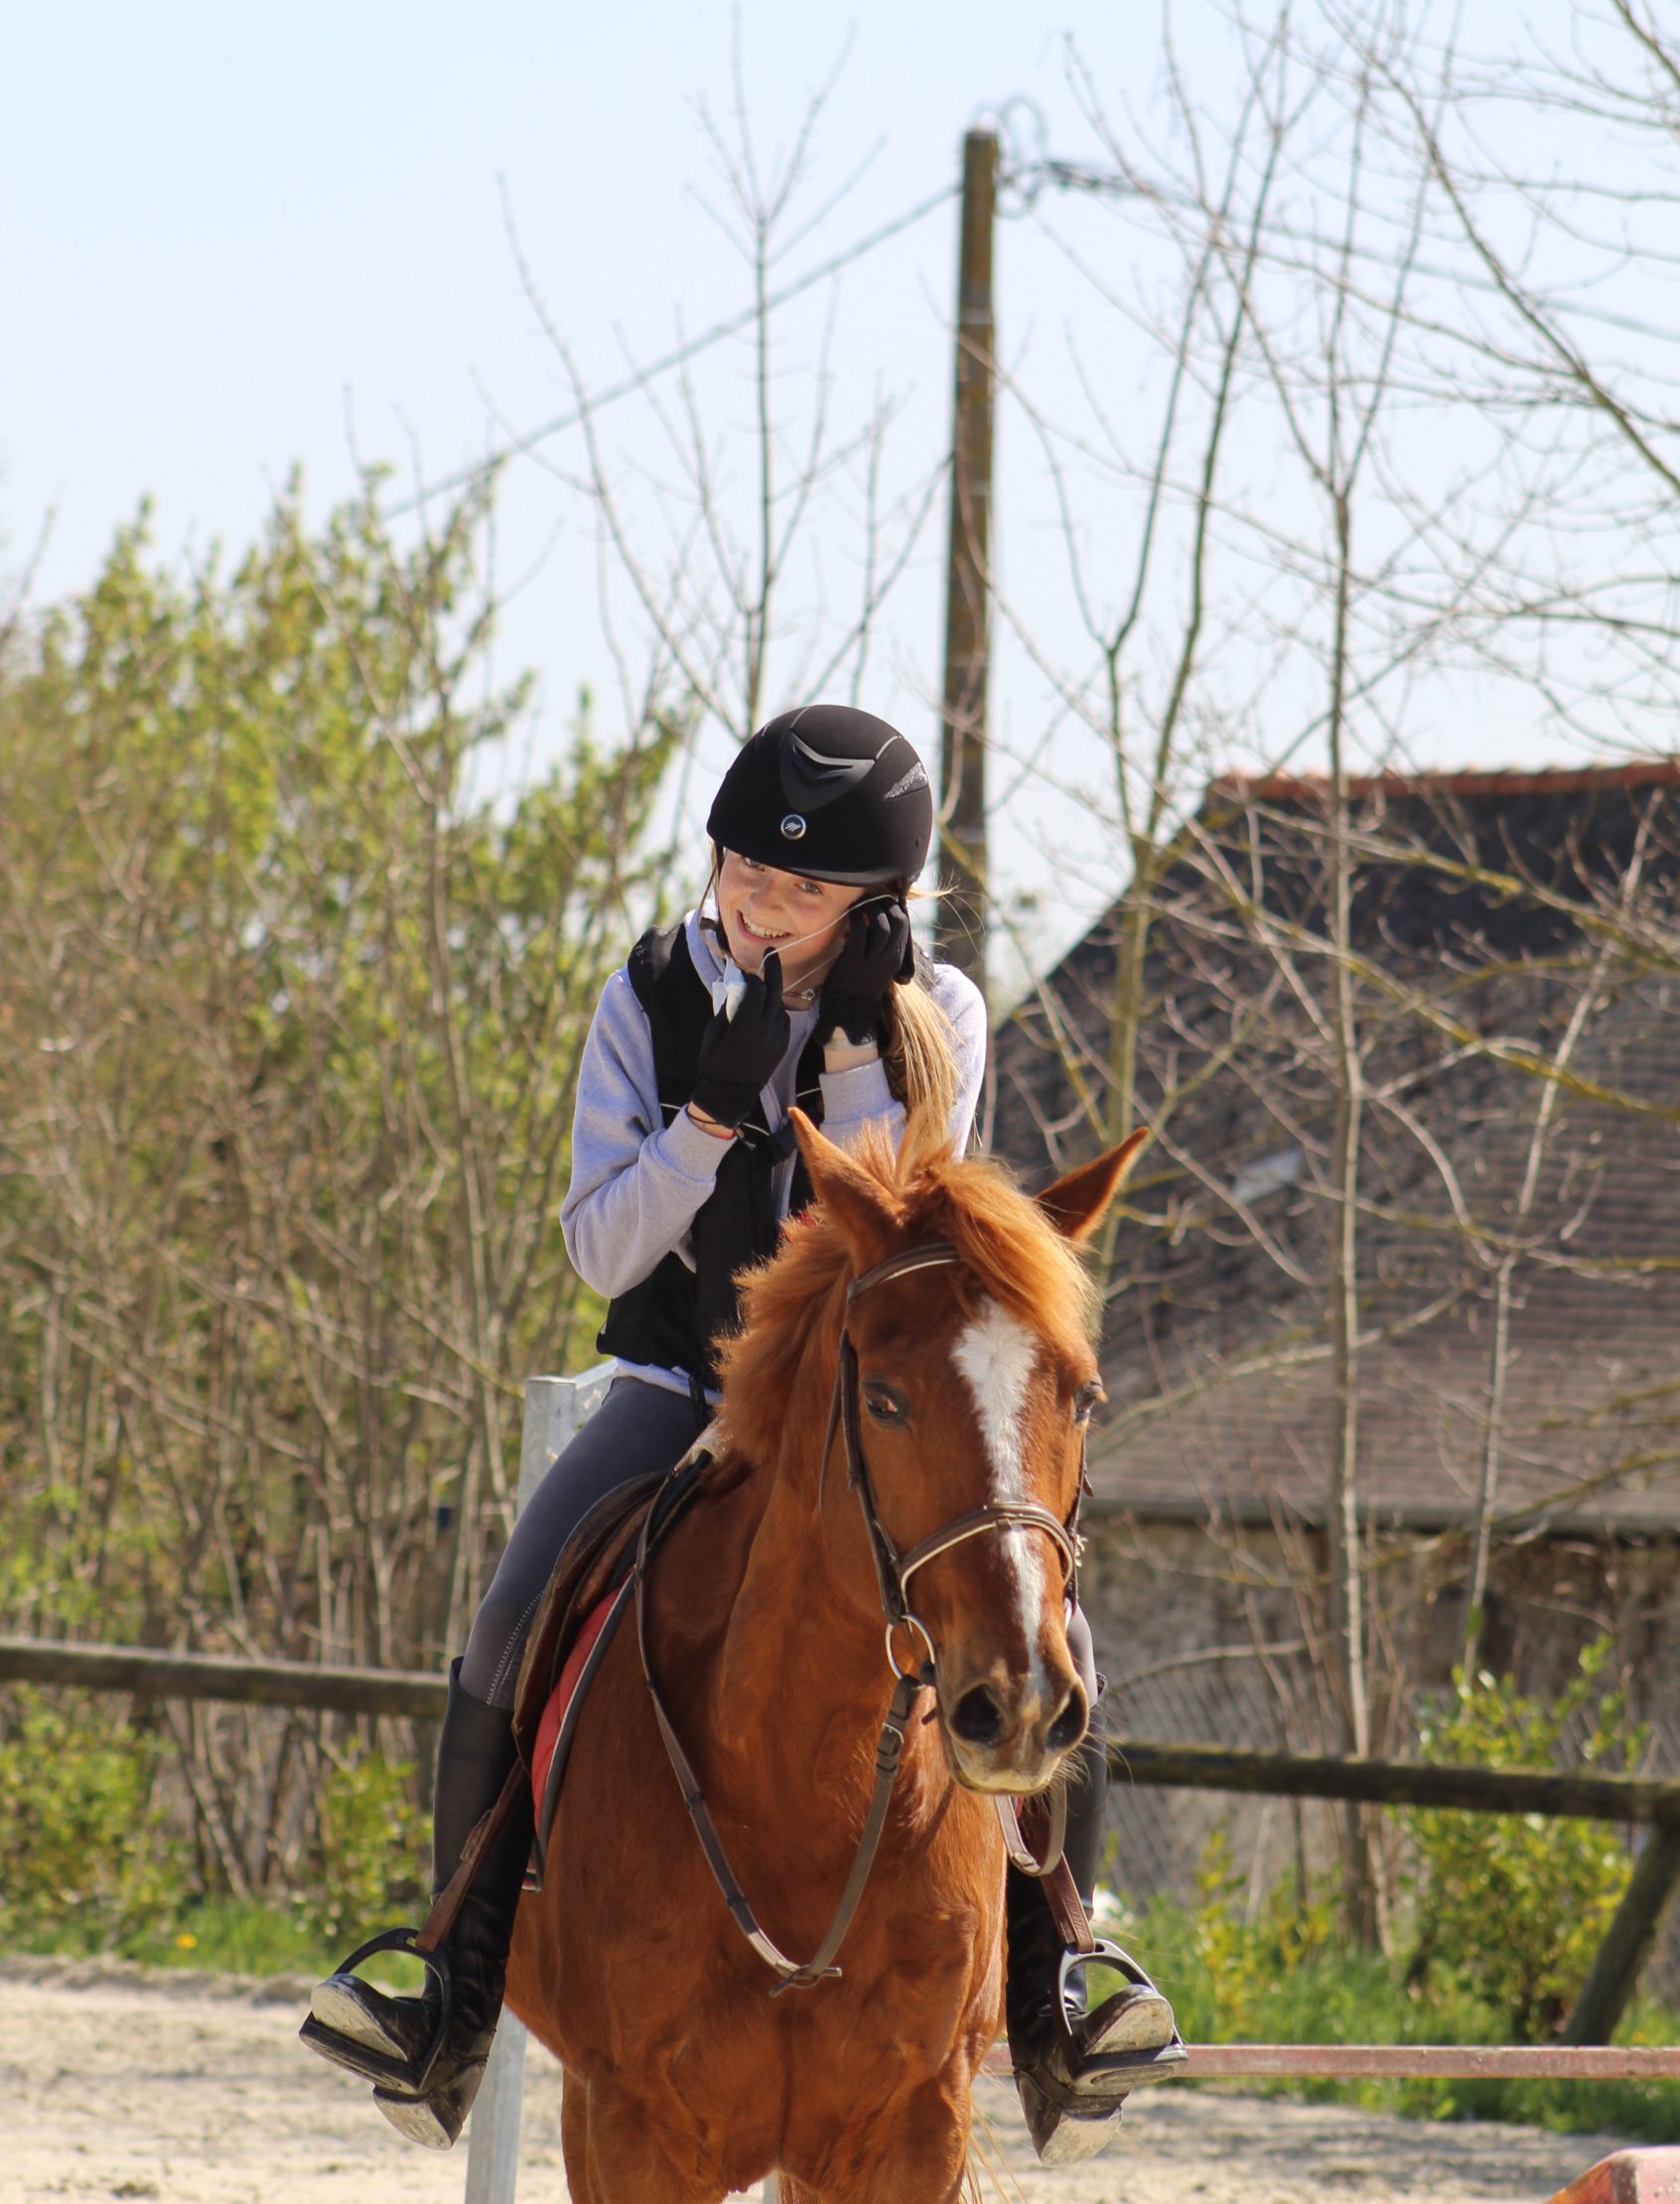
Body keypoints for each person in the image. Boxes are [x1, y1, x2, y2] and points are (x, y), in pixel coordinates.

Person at [300, 702, 1179, 2161]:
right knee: (512, 1618)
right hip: (678, 1391)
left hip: (860, 1401)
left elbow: (912, 1248)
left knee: (1051, 1635)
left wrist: (844, 1074)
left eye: (801, 890)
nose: (756, 904)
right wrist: (706, 1120)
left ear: (874, 903)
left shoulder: (936, 1013)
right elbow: (601, 1251)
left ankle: (1060, 1985)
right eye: (738, 874)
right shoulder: (645, 998)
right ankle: (444, 1991)